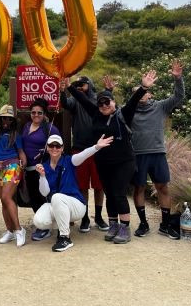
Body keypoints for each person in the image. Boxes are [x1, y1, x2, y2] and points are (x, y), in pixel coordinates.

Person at [65, 70, 157, 243]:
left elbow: (133, 101)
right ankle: (113, 224)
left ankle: (124, 227)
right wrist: (69, 86)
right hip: (103, 161)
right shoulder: (96, 114)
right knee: (109, 193)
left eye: (107, 102)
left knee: (119, 193)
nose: (104, 105)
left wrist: (144, 87)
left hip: (124, 161)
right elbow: (82, 100)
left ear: (114, 102)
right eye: (101, 103)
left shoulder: (124, 114)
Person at [131, 60, 184, 239]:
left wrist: (178, 79)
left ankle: (165, 224)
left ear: (150, 94)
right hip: (138, 156)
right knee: (138, 189)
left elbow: (178, 97)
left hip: (157, 154)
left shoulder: (160, 107)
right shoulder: (129, 111)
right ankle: (143, 223)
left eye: (144, 92)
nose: (140, 95)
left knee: (163, 187)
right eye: (137, 93)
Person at [34, 134, 114, 252]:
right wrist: (42, 176)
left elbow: (84, 154)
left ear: (62, 148)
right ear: (47, 148)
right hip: (58, 204)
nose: (54, 148)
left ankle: (65, 237)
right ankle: (61, 228)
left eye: (58, 146)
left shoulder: (69, 160)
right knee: (39, 220)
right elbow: (45, 192)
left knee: (56, 197)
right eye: (51, 145)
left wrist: (96, 147)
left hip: (76, 205)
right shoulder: (44, 166)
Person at [60, 75, 110, 232]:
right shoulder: (76, 101)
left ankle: (100, 217)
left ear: (90, 84)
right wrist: (63, 91)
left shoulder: (98, 100)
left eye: (83, 84)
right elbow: (65, 103)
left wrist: (109, 91)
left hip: (99, 148)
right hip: (80, 148)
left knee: (99, 185)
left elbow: (110, 107)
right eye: (77, 85)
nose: (80, 87)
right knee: (82, 185)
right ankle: (85, 217)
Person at [0, 103, 28, 247]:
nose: (6, 121)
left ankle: (19, 230)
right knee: (4, 200)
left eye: (9, 119)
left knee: (6, 197)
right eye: (4, 118)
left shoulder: (16, 135)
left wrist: (23, 164)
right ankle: (10, 231)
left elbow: (20, 152)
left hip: (12, 165)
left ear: (13, 121)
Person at [21, 98, 60, 241]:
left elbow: (58, 147)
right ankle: (42, 222)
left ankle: (45, 227)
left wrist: (48, 155)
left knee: (43, 197)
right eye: (33, 112)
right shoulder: (26, 126)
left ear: (44, 114)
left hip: (42, 169)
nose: (36, 115)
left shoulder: (50, 128)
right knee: (33, 198)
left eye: (39, 113)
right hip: (28, 169)